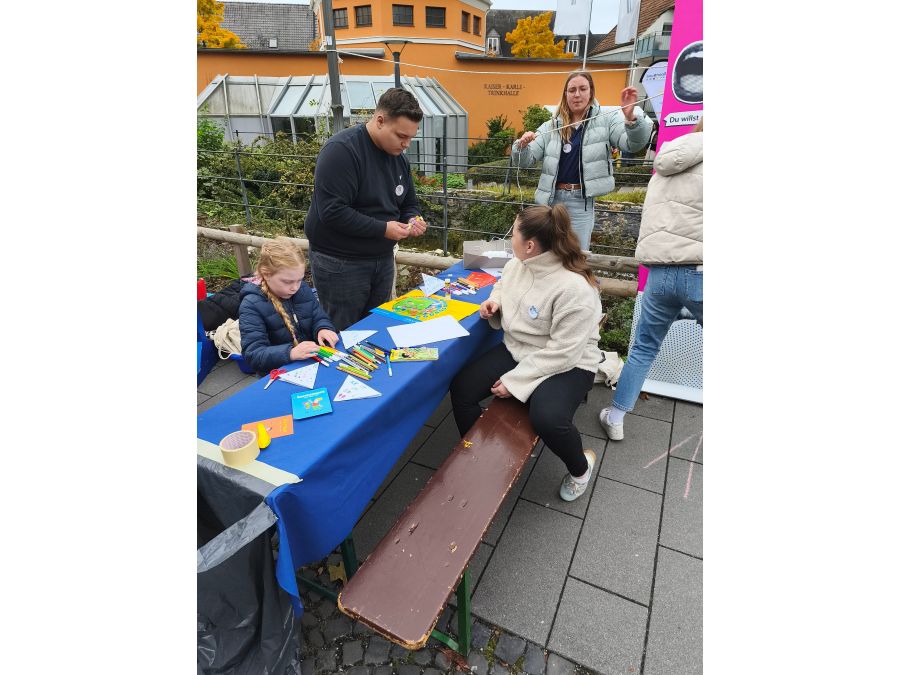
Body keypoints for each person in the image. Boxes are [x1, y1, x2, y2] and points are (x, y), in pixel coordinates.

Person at [450, 204, 603, 502]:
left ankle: (581, 469)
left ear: (530, 245)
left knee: (547, 418)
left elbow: (564, 353)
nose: (510, 239)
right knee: (462, 388)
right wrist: (495, 303)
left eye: (513, 233)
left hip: (570, 363)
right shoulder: (517, 264)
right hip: (521, 349)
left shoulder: (575, 290)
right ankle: (482, 454)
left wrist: (516, 382)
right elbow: (504, 287)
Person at [599, 118, 703, 440]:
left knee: (644, 347)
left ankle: (615, 418)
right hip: (701, 272)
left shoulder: (665, 161)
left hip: (659, 273)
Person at [304, 88, 429, 331]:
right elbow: (332, 212)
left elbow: (408, 203)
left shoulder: (399, 157)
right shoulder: (341, 151)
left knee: (375, 328)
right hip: (340, 262)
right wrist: (383, 229)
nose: (406, 144)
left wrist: (413, 218)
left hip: (381, 258)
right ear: (380, 120)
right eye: (401, 135)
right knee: (342, 332)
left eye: (411, 137)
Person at [512, 71, 652, 252]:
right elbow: (525, 161)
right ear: (565, 94)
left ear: (591, 92)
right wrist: (521, 146)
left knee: (576, 255)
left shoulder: (606, 120)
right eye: (572, 90)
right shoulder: (551, 125)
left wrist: (631, 118)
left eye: (582, 89)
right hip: (550, 201)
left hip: (581, 201)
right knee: (546, 254)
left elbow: (632, 145)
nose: (577, 94)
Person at [239, 236, 339, 374]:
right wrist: (290, 353)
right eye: (287, 282)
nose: (295, 287)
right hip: (278, 373)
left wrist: (323, 328)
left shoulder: (302, 289)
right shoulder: (251, 304)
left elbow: (318, 316)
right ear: (266, 274)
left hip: (312, 363)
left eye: (299, 280)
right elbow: (253, 355)